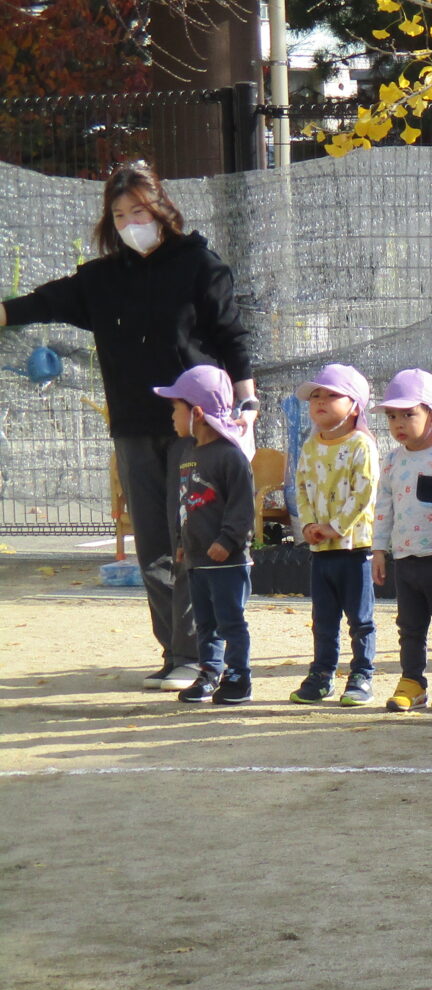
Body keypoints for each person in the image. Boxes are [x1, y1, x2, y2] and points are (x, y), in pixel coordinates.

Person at [1, 162, 257, 689]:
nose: (129, 223)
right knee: (153, 547)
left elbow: (231, 337)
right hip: (133, 426)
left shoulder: (201, 265)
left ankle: (198, 656)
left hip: (197, 427)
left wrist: (247, 406)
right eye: (119, 215)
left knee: (193, 536)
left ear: (162, 209)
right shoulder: (102, 279)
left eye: (138, 211)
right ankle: (175, 651)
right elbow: (43, 302)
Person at [154, 366, 255, 706]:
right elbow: (187, 504)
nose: (172, 417)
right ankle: (210, 673)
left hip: (226, 561)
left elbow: (242, 507)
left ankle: (239, 676)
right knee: (205, 623)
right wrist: (183, 543)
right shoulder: (189, 453)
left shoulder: (231, 455)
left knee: (230, 621)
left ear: (196, 413)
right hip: (197, 560)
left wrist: (227, 541)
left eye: (175, 408)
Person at [371, 369, 432, 713]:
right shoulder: (391, 461)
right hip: (405, 559)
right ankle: (412, 682)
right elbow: (383, 507)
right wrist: (379, 550)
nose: (398, 423)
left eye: (408, 414)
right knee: (409, 627)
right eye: (391, 416)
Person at [289, 364, 379, 707]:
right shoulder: (310, 446)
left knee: (360, 619)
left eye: (331, 395)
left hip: (355, 549)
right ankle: (321, 675)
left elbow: (364, 491)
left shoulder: (361, 445)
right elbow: (300, 487)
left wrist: (335, 527)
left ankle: (362, 675)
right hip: (320, 550)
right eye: (315, 396)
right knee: (323, 619)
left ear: (354, 406)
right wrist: (308, 525)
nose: (320, 401)